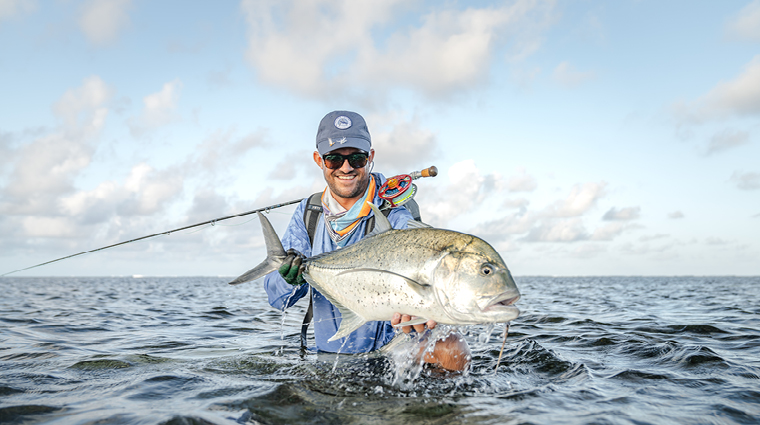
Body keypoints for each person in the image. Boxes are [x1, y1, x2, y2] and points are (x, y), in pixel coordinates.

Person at [263, 110, 470, 371]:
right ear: (319, 160)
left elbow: (421, 266)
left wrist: (422, 306)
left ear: (370, 157)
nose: (346, 168)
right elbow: (277, 299)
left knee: (451, 349)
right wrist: (288, 277)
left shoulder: (395, 211)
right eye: (334, 159)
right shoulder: (309, 213)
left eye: (357, 159)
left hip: (393, 354)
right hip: (330, 357)